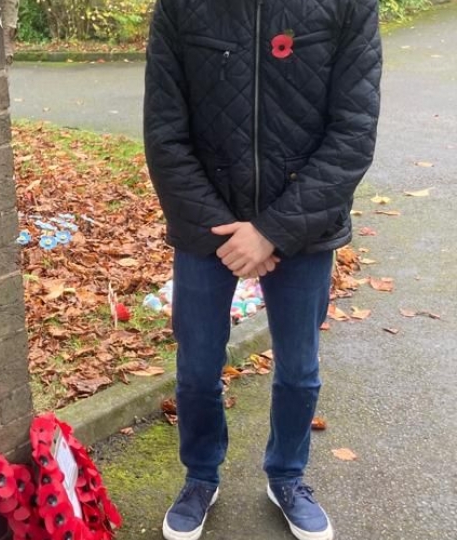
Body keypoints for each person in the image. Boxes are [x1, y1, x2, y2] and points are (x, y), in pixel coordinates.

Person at [143, 0, 382, 538]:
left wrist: (273, 231)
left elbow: (353, 133)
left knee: (299, 371)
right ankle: (201, 476)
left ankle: (287, 476)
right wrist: (226, 232)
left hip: (304, 225)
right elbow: (165, 133)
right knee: (198, 370)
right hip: (209, 226)